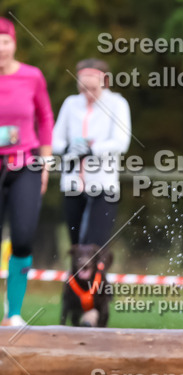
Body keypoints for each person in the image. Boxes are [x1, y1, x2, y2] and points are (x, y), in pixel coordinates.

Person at [0, 17, 53, 327]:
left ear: (14, 43)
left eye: (4, 42)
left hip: (27, 164)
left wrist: (46, 162)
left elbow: (45, 118)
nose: (0, 49)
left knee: (22, 237)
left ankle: (13, 313)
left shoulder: (32, 76)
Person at [52, 58, 131, 247]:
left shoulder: (117, 104)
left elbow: (121, 142)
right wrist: (68, 149)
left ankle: (97, 277)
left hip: (103, 185)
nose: (87, 94)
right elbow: (55, 139)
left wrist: (91, 150)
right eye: (83, 89)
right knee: (76, 246)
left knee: (94, 247)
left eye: (93, 89)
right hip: (72, 184)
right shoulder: (71, 103)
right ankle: (75, 277)